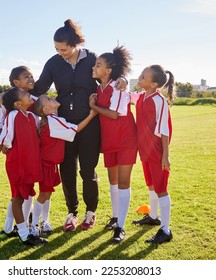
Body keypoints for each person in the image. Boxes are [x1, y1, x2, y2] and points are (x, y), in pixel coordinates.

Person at [30, 19, 127, 231]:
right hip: (64, 125)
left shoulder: (91, 58)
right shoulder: (53, 63)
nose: (60, 53)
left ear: (74, 43)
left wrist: (124, 81)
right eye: (56, 49)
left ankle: (90, 212)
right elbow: (39, 88)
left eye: (63, 49)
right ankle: (71, 213)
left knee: (88, 170)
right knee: (67, 170)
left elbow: (110, 74)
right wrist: (13, 93)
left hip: (90, 122)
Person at [29, 95, 97, 236]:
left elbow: (36, 99)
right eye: (49, 99)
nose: (52, 97)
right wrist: (91, 114)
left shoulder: (50, 118)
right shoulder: (54, 121)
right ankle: (34, 225)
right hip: (47, 164)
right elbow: (77, 129)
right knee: (43, 195)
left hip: (51, 164)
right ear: (46, 109)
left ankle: (44, 222)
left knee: (47, 194)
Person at [89, 46, 137, 243]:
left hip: (125, 139)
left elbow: (114, 114)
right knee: (113, 182)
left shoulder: (117, 86)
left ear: (108, 70)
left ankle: (121, 227)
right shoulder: (99, 88)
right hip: (109, 140)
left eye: (98, 65)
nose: (94, 67)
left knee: (124, 183)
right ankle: (116, 217)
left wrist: (94, 106)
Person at [0, 87, 47, 246]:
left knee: (24, 196)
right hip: (17, 164)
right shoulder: (13, 116)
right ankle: (24, 235)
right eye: (24, 94)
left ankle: (13, 230)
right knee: (17, 198)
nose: (28, 94)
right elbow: (2, 139)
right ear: (18, 104)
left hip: (29, 165)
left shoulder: (30, 116)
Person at [131, 65, 175, 244]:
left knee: (161, 188)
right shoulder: (141, 96)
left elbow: (165, 129)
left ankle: (165, 229)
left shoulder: (160, 100)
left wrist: (165, 155)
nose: (140, 77)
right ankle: (153, 216)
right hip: (145, 150)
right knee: (151, 184)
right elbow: (125, 96)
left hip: (157, 150)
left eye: (143, 76)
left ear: (154, 84)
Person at [0, 66, 38, 237]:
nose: (31, 78)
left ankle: (17, 225)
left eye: (31, 75)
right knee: (18, 192)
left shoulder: (35, 100)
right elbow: (0, 126)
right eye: (26, 76)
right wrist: (6, 144)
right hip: (17, 154)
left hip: (32, 152)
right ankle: (11, 226)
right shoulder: (7, 102)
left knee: (26, 191)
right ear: (16, 82)